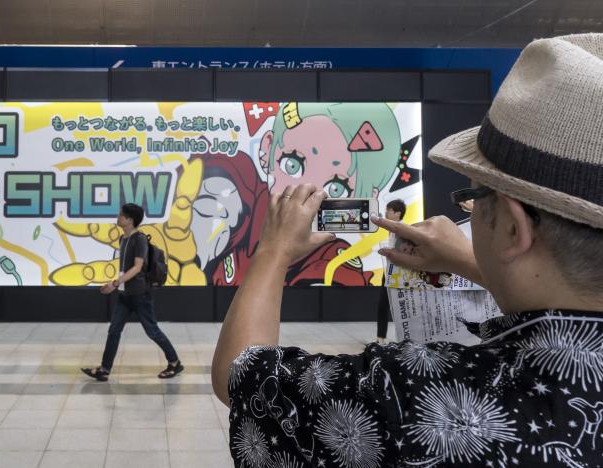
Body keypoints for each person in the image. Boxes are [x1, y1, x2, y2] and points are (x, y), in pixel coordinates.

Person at [212, 34, 603, 467]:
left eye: (474, 196)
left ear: (513, 228)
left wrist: (273, 251)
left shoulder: (411, 394)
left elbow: (240, 376)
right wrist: (472, 263)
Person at [82, 203, 183, 382]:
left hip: (140, 295)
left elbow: (137, 268)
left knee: (152, 331)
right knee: (114, 330)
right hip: (124, 294)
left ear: (130, 219)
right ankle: (104, 369)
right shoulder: (123, 239)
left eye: (121, 215)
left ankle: (174, 363)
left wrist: (114, 283)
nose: (118, 217)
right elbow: (126, 269)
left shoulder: (139, 239)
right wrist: (117, 284)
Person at [376, 199, 406, 343]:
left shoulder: (403, 230)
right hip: (389, 270)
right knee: (383, 304)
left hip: (399, 272)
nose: (386, 212)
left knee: (395, 306)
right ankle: (380, 338)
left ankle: (402, 338)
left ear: (398, 213)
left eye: (389, 210)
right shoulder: (393, 230)